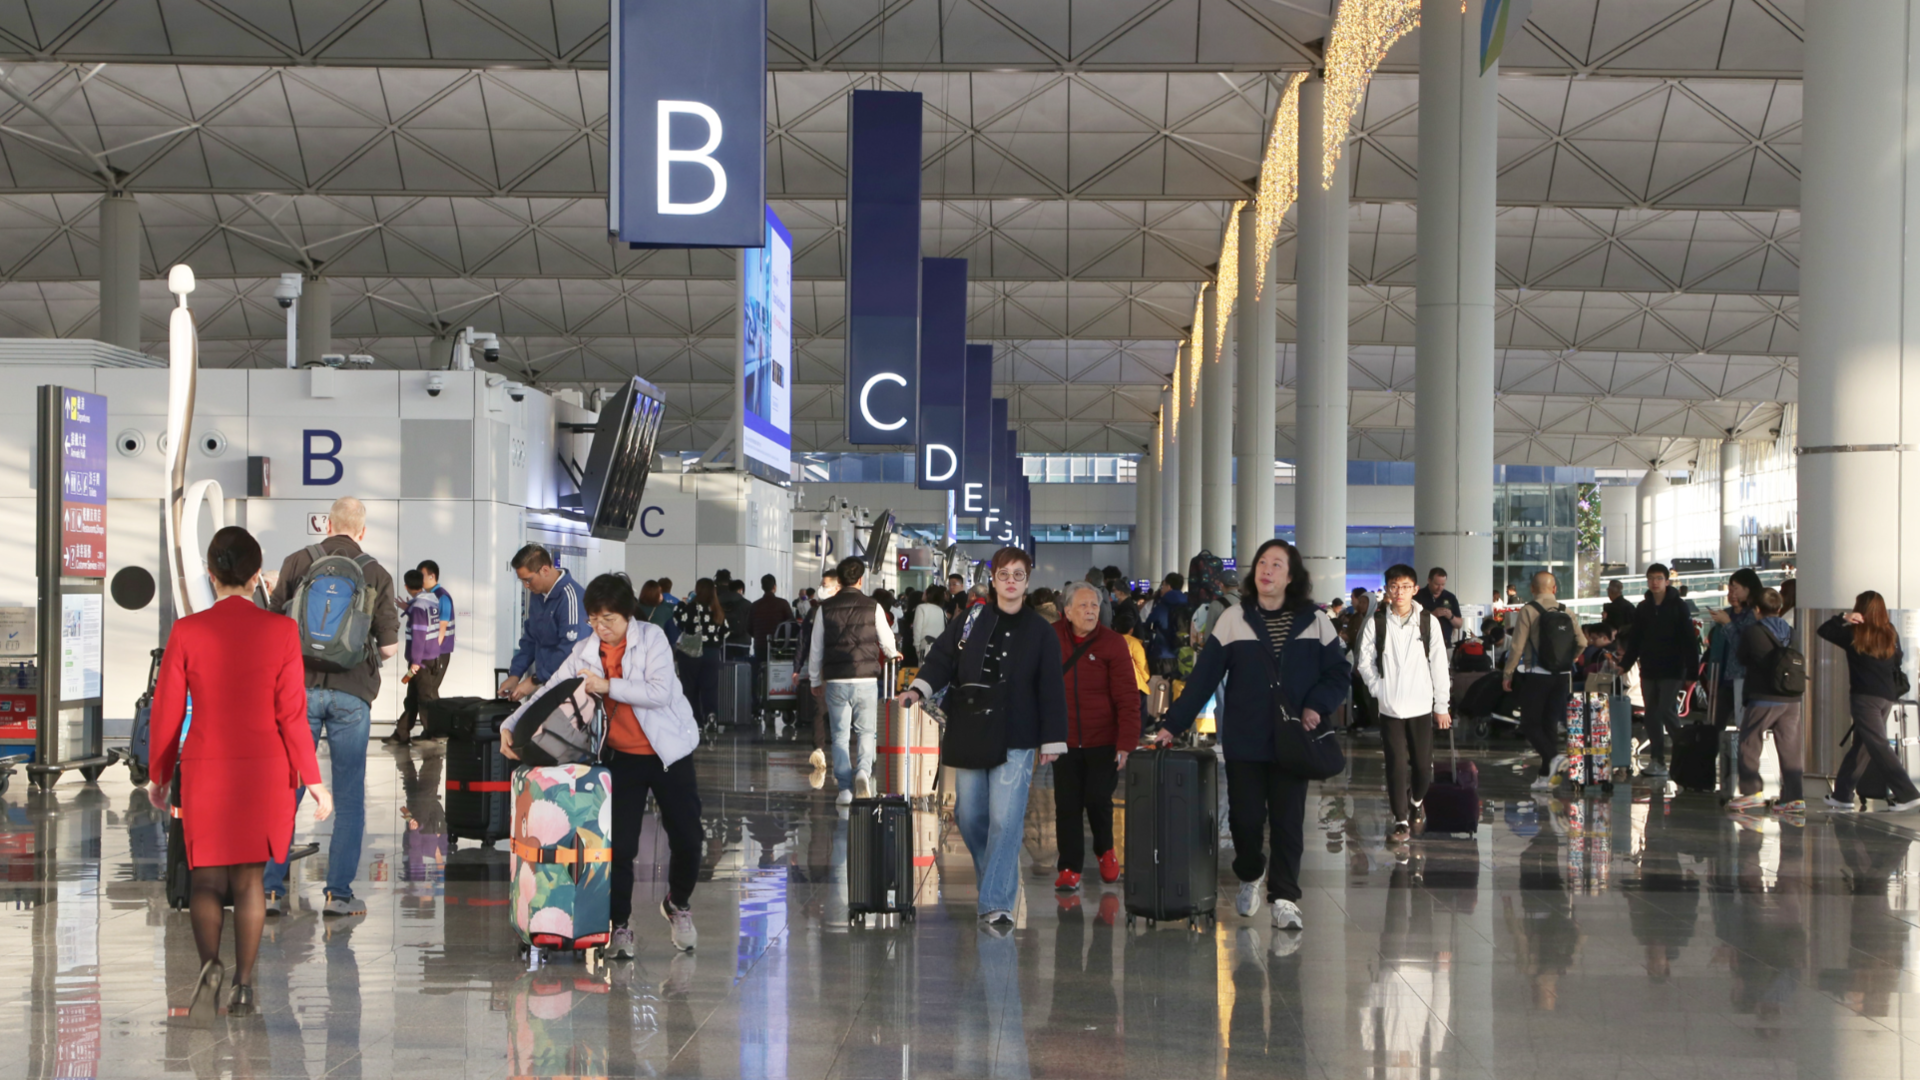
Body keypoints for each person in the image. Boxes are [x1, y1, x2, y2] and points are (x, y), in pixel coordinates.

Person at [147, 526, 332, 1024]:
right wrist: (313, 780)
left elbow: (166, 711)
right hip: (266, 769)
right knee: (250, 880)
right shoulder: (280, 632)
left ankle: (210, 964)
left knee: (205, 876)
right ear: (256, 577)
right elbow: (292, 713)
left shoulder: (188, 631)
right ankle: (245, 987)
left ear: (211, 575)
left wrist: (159, 776)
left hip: (205, 766)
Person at [1155, 539, 1350, 934]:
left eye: (1277, 564)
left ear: (1291, 576)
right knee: (1245, 820)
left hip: (1293, 739)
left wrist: (1316, 705)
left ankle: (1285, 899)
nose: (1267, 570)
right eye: (1263, 562)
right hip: (1246, 738)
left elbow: (1338, 673)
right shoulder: (1233, 619)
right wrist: (1171, 725)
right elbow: (1203, 679)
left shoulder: (1315, 620)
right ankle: (1250, 871)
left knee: (1287, 822)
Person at [500, 574, 702, 954]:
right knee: (619, 848)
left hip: (669, 755)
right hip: (620, 758)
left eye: (608, 619)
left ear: (628, 615)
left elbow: (660, 692)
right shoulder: (586, 650)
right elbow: (549, 690)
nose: (600, 627)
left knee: (689, 838)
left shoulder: (652, 638)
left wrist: (607, 686)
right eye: (594, 619)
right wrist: (509, 724)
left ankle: (678, 905)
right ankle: (620, 924)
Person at [899, 546, 1067, 929]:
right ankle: (995, 875)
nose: (1010, 581)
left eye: (1018, 575)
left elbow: (1051, 688)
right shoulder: (971, 619)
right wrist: (918, 689)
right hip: (972, 729)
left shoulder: (1040, 631)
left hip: (1018, 734)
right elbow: (942, 657)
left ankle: (995, 902)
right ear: (993, 579)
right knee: (970, 817)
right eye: (1004, 574)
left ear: (1027, 581)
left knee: (1005, 821)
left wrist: (1052, 740)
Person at [263, 496, 398, 918]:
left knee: (290, 787)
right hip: (352, 694)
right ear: (361, 530)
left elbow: (273, 625)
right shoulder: (375, 571)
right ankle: (338, 895)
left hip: (299, 690)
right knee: (349, 794)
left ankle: (270, 890)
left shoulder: (297, 561)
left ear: (328, 526)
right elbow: (391, 649)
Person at [1050, 582, 1143, 892]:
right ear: (1067, 611)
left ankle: (1105, 850)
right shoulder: (1051, 638)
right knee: (1067, 804)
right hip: (1063, 739)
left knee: (1097, 799)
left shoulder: (1113, 643)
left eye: (1095, 606)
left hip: (1103, 739)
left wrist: (1126, 743)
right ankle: (1069, 867)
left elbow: (1128, 697)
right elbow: (1038, 688)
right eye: (1083, 606)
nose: (1091, 611)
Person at [1355, 564, 1450, 844]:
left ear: (1415, 589)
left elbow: (1439, 666)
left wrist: (1441, 705)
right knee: (1396, 763)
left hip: (1421, 705)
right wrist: (1378, 689)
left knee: (1423, 767)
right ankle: (1400, 819)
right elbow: (1364, 662)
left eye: (1406, 586)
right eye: (1394, 587)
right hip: (1390, 706)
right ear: (1387, 590)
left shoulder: (1427, 622)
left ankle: (1417, 802)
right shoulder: (1377, 622)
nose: (1400, 592)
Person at [808, 557, 901, 805]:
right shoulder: (873, 606)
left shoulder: (824, 609)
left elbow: (815, 648)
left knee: (839, 735)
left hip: (836, 681)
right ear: (861, 579)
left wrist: (815, 679)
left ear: (839, 580)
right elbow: (886, 640)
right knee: (867, 732)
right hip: (866, 680)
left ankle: (845, 791)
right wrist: (893, 653)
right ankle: (862, 772)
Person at [1821, 592, 1920, 812]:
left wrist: (1844, 617)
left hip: (1864, 697)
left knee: (1877, 744)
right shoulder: (1890, 632)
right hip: (1887, 697)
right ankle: (1842, 796)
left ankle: (1908, 794)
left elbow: (1824, 630)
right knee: (1862, 746)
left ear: (1860, 609)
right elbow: (1898, 658)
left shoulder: (1854, 634)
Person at [1501, 570, 1588, 791]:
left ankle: (1552, 757)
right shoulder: (1566, 611)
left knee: (1530, 724)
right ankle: (1545, 777)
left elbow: (1517, 646)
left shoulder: (1529, 610)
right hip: (1563, 676)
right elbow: (1583, 642)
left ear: (1532, 589)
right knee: (1549, 724)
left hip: (1537, 674)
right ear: (1555, 589)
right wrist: (1570, 659)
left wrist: (1508, 673)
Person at [1617, 563, 1700, 779]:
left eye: (1659, 578)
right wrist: (1625, 664)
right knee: (1651, 714)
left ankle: (1686, 758)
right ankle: (1657, 760)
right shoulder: (1643, 608)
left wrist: (1692, 672)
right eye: (1651, 578)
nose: (1655, 582)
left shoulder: (1678, 606)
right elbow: (1635, 640)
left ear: (1667, 581)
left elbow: (1689, 640)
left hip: (1673, 668)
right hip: (1650, 668)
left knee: (1666, 711)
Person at [1728, 588, 1805, 815]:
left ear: (1757, 609)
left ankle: (1752, 793)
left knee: (1750, 741)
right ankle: (1794, 798)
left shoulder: (1753, 631)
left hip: (1764, 695)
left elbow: (1741, 657)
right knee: (1790, 748)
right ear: (1779, 609)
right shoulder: (1793, 632)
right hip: (1792, 697)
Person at [499, 544, 589, 702]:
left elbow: (570, 650)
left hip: (570, 687)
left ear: (545, 570)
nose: (526, 586)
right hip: (547, 683)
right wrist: (515, 674)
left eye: (528, 580)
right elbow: (531, 639)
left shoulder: (570, 598)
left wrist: (534, 680)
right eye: (522, 582)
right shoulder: (538, 595)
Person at [794, 568, 840, 776]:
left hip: (839, 667)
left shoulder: (836, 609)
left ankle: (835, 751)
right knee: (820, 710)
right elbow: (804, 642)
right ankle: (820, 750)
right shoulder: (814, 612)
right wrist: (798, 668)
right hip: (825, 668)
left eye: (826, 585)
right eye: (821, 585)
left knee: (833, 711)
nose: (822, 589)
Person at [390, 569, 443, 745]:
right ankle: (401, 733)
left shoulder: (418, 607)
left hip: (422, 660)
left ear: (406, 586)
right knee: (412, 698)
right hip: (430, 657)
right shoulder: (431, 601)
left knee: (424, 698)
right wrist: (408, 608)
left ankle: (433, 734)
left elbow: (419, 636)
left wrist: (415, 662)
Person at [1708, 568, 1765, 727]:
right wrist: (1710, 674)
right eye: (1729, 588)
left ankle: (1743, 751)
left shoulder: (1755, 614)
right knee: (1715, 723)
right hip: (1722, 675)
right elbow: (1717, 648)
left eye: (1735, 588)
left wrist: (1727, 624)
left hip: (1744, 676)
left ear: (1748, 589)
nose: (1731, 593)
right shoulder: (1726, 613)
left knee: (1744, 722)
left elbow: (1744, 645)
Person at [674, 578, 728, 721]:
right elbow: (726, 631)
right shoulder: (717, 609)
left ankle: (694, 719)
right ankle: (711, 715)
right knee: (710, 687)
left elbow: (679, 622)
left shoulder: (691, 607)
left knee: (690, 688)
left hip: (691, 652)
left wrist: (681, 605)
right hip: (712, 653)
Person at [1144, 572, 1190, 675]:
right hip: (1184, 654)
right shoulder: (1188, 603)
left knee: (1160, 687)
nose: (1161, 588)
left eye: (1163, 585)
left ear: (1168, 586)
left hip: (1162, 654)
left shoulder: (1163, 603)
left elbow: (1149, 623)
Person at [1112, 606, 1151, 721]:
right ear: (1131, 629)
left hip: (1115, 684)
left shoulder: (1109, 642)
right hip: (1135, 684)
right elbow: (1141, 664)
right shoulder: (1134, 643)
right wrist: (1145, 679)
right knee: (1139, 714)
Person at [1413, 567, 1465, 643]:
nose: (1440, 588)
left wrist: (1450, 616)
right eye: (1437, 584)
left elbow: (1459, 624)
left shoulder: (1450, 597)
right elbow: (1412, 620)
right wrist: (1433, 614)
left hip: (1445, 642)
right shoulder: (1417, 596)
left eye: (1443, 584)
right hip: (1421, 641)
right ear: (1429, 580)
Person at [749, 574, 794, 658]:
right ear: (774, 587)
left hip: (760, 645)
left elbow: (748, 628)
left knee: (760, 669)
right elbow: (791, 624)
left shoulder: (755, 605)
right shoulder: (782, 603)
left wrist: (759, 636)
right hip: (779, 645)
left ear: (762, 587)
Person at [913, 585, 950, 665]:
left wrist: (917, 647)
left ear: (929, 595)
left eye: (925, 592)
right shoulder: (941, 610)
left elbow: (917, 629)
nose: (923, 594)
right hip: (938, 646)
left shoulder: (921, 607)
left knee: (923, 669)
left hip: (924, 645)